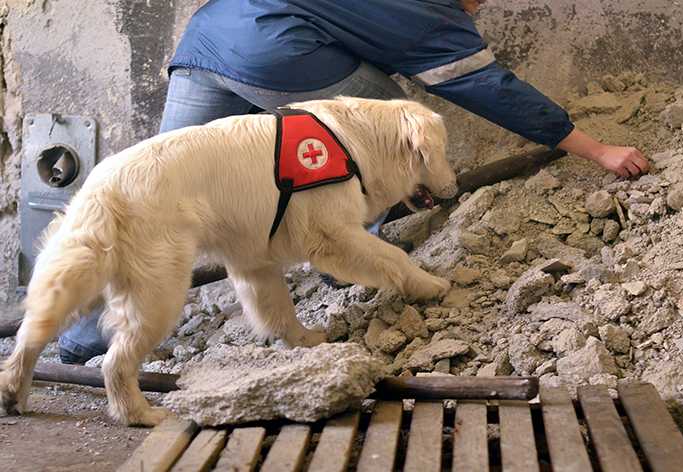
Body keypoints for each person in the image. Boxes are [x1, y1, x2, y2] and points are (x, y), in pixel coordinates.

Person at [58, 0, 648, 364]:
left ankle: (82, 341)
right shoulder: (433, 12)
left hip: (208, 38)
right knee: (393, 128)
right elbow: (491, 87)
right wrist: (597, 149)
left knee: (159, 190)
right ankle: (347, 260)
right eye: (480, 2)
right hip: (277, 50)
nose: (480, 11)